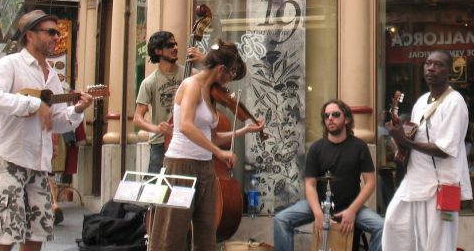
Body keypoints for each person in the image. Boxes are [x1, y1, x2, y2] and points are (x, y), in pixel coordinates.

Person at [0, 9, 94, 251]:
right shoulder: (9, 65)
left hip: (39, 164)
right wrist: (33, 104)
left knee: (38, 232)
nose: (57, 37)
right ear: (30, 35)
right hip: (8, 157)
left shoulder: (52, 75)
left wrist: (78, 109)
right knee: (6, 234)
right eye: (51, 32)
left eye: (59, 32)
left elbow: (58, 122)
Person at [148, 39, 264, 251]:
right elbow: (185, 126)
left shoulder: (210, 92)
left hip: (205, 168)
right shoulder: (191, 85)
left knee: (206, 233)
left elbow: (210, 136)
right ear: (221, 69)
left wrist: (243, 130)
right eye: (230, 75)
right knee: (171, 233)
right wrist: (219, 153)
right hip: (180, 166)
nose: (229, 82)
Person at [382, 50, 472, 251]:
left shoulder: (455, 102)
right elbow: (412, 137)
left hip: (443, 186)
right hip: (415, 182)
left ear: (449, 71)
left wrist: (405, 141)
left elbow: (444, 149)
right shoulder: (421, 102)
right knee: (394, 226)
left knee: (437, 244)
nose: (431, 68)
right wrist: (397, 141)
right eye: (428, 63)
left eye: (438, 64)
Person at [274, 99, 384, 251]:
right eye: (326, 116)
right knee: (281, 219)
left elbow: (370, 182)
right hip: (319, 205)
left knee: (382, 227)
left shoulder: (359, 146)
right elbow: (310, 185)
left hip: (350, 207)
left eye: (335, 114)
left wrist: (352, 211)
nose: (330, 118)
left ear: (347, 119)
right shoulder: (316, 148)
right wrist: (318, 213)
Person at [133, 31, 204, 173]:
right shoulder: (149, 82)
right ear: (158, 51)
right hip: (160, 143)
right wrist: (157, 128)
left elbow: (215, 76)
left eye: (176, 44)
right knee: (155, 189)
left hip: (187, 140)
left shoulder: (191, 74)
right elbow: (137, 118)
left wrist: (204, 59)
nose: (175, 48)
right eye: (170, 45)